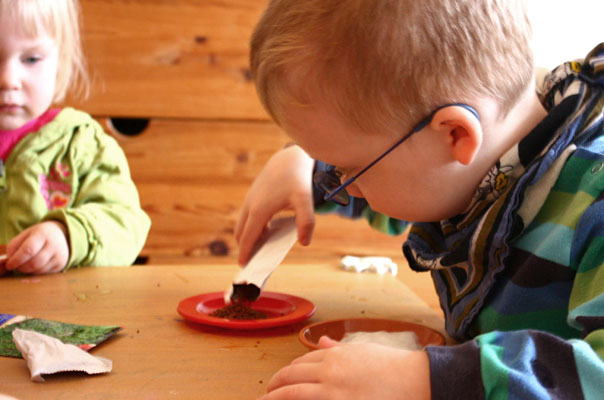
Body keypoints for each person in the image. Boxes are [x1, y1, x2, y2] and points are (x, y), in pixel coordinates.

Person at [235, 0, 604, 398]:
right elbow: (407, 191)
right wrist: (302, 169)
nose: (342, 185)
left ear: (455, 135)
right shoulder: (476, 165)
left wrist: (428, 379)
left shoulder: (594, 203)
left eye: (349, 171)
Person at [0, 0, 150, 276]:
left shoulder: (81, 143)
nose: (8, 79)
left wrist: (69, 235)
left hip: (58, 313)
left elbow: (126, 224)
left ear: (61, 61)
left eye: (31, 59)